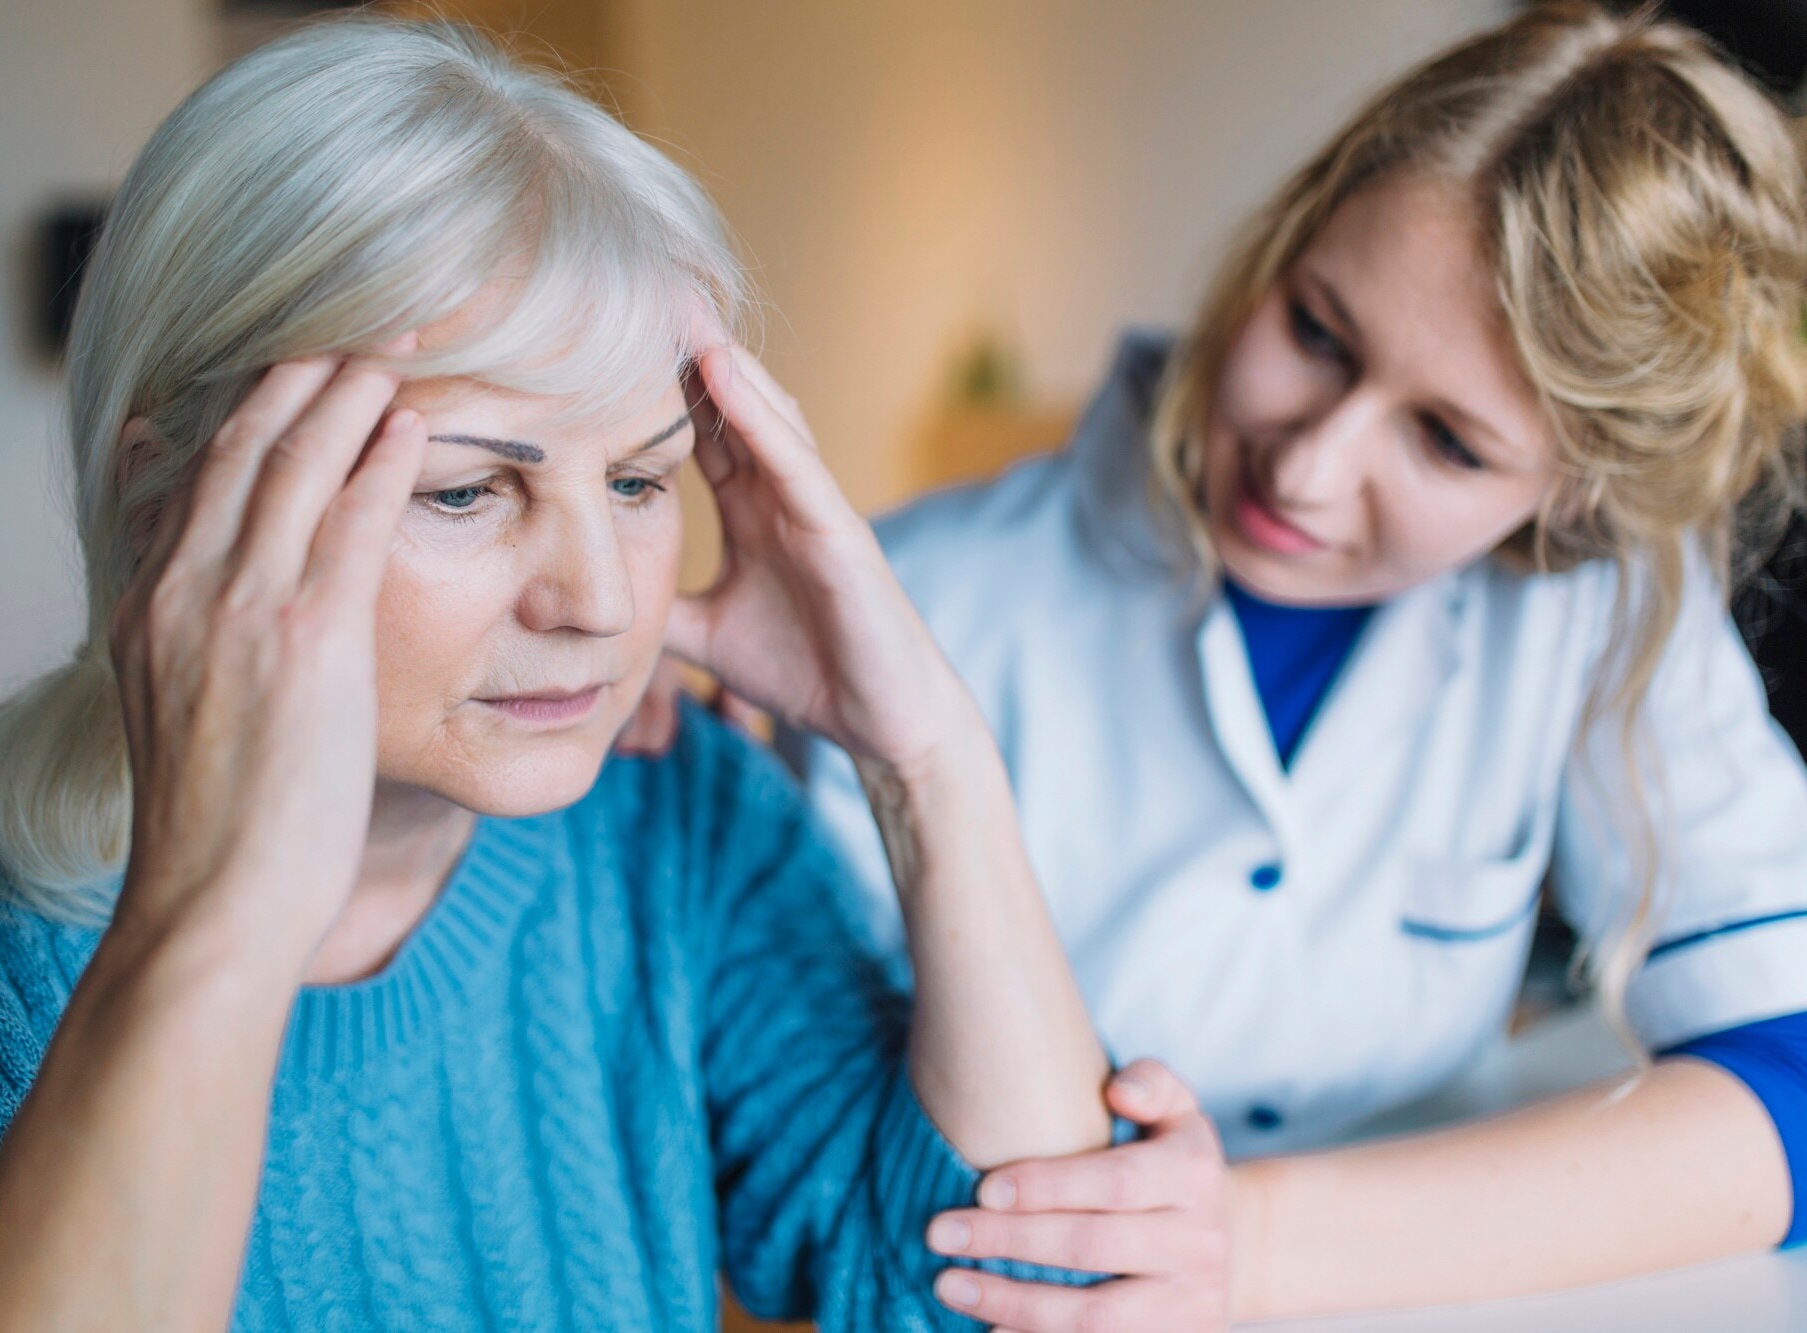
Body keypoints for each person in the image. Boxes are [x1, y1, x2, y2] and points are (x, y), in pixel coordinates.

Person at [0, 18, 1117, 1330]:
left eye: (640, 479)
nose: (599, 602)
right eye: (468, 489)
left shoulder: (670, 822)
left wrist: (927, 758)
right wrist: (222, 913)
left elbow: (1024, 1293)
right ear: (164, 501)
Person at [761, 3, 1807, 1325]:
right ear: (1287, 237)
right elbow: (828, 1166)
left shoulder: (1593, 602)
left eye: (1447, 442)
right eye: (1319, 331)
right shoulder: (913, 603)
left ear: (1569, 500)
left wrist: (1246, 1242)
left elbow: (1790, 1074)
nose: (1306, 470)